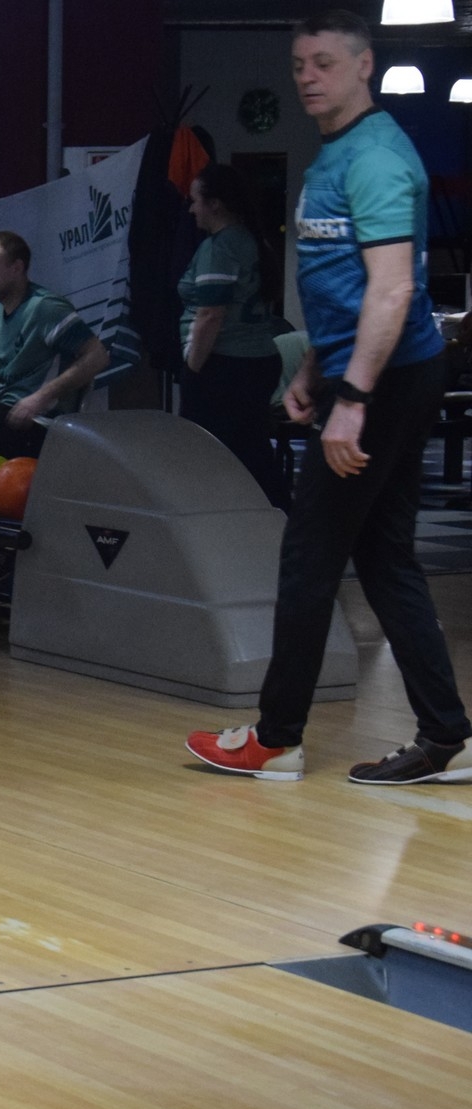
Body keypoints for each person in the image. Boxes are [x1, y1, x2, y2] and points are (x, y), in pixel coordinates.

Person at [187, 8, 470, 786]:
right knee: (383, 558)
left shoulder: (375, 159)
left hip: (386, 380)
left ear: (364, 65)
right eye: (299, 64)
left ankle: (277, 739)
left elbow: (392, 290)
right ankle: (447, 735)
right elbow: (342, 287)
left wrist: (353, 399)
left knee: (309, 555)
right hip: (374, 373)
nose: (308, 77)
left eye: (324, 63)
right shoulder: (337, 154)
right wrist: (314, 368)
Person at [179, 163, 288, 508]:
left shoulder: (220, 247)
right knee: (253, 453)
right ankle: (278, 521)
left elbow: (211, 314)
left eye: (195, 201)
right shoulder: (254, 240)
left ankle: (245, 521)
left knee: (210, 456)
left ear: (215, 204)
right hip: (258, 360)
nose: (191, 209)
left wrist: (193, 368)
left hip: (226, 366)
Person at [0, 231, 109, 457]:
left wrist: (40, 398)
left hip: (40, 420)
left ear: (16, 268)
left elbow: (98, 356)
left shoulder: (46, 307)